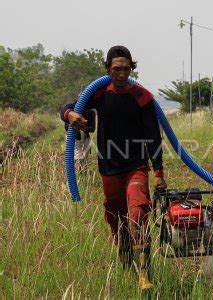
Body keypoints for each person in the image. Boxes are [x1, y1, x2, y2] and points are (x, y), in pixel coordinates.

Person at [60, 45, 166, 290]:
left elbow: (153, 137)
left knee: (138, 214)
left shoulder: (143, 97)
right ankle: (127, 263)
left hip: (136, 165)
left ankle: (145, 274)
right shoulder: (97, 93)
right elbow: (66, 108)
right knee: (116, 219)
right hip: (109, 167)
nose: (121, 74)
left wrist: (159, 173)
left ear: (132, 69)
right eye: (116, 69)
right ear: (107, 68)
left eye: (126, 68)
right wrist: (70, 116)